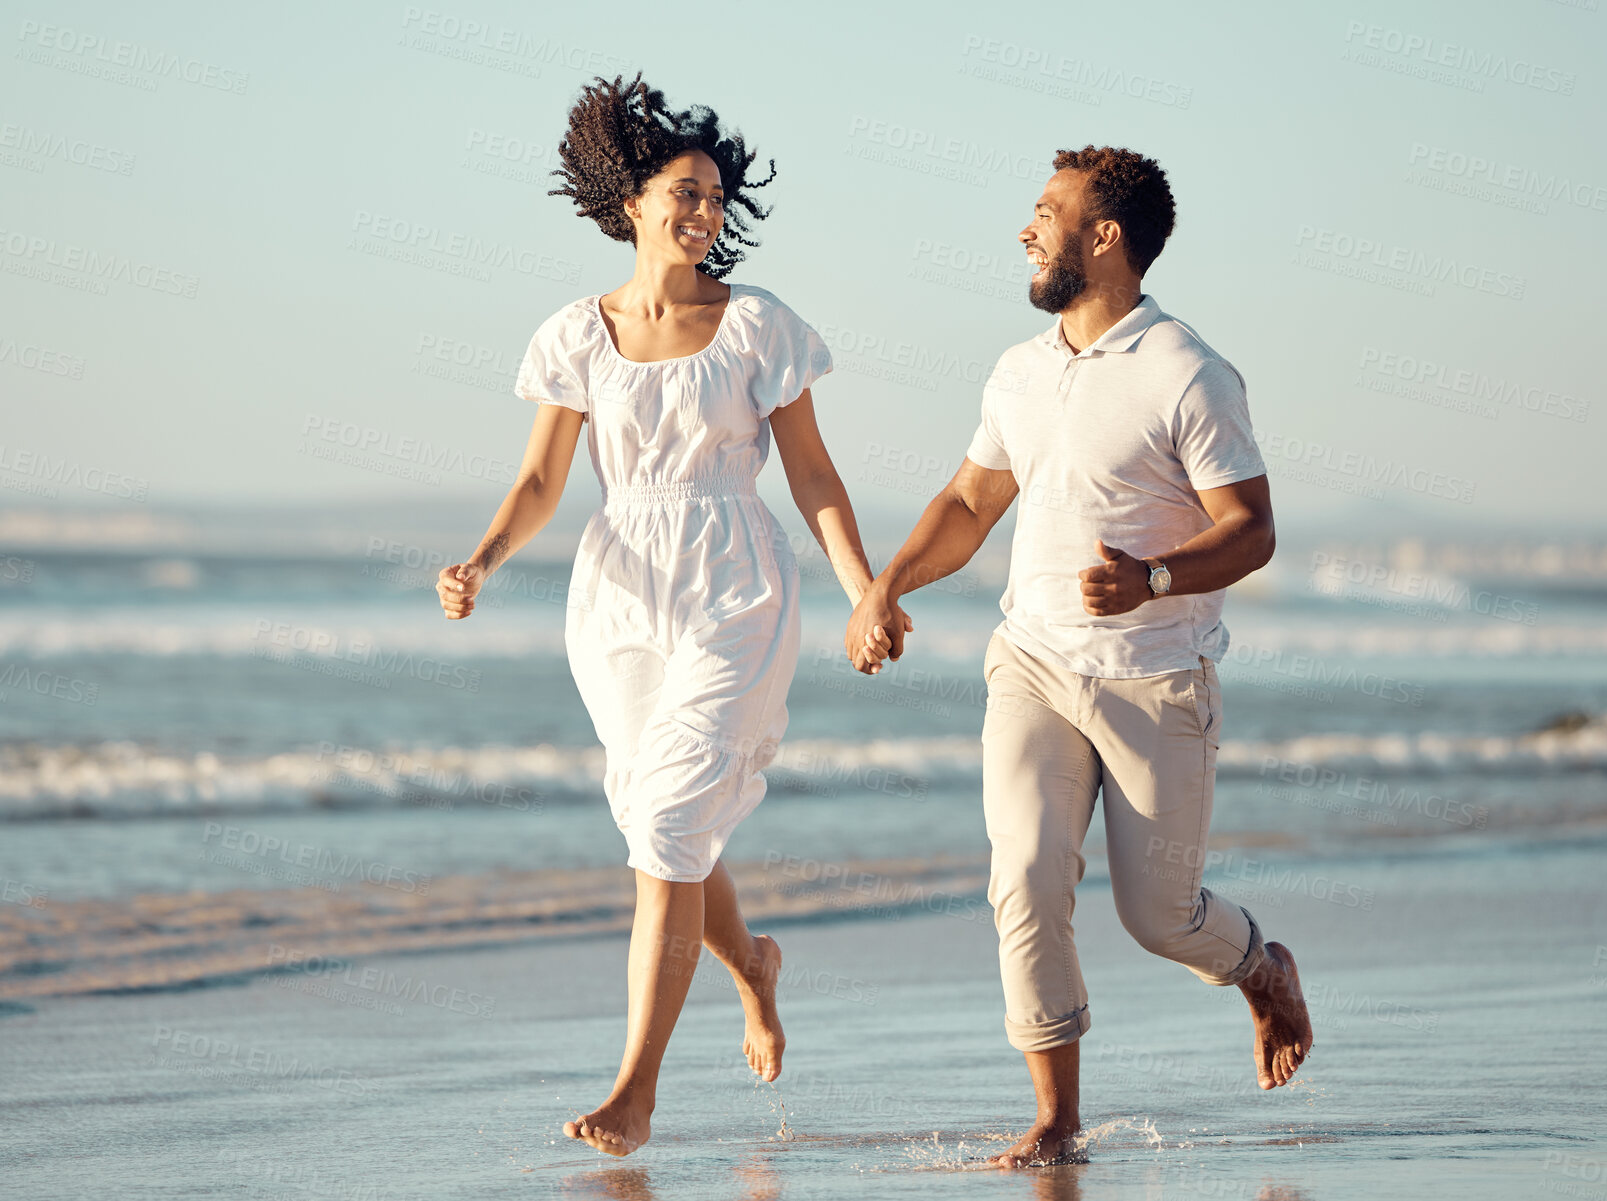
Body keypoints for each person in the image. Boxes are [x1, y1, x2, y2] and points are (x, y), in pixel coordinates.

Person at [438, 74, 882, 1158]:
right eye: (683, 192)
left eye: (715, 196)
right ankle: (753, 965)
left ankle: (634, 1088)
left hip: (737, 583)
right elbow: (543, 480)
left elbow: (815, 476)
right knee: (660, 828)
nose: (703, 212)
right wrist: (484, 557)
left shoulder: (757, 327)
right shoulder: (574, 336)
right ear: (628, 202)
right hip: (621, 592)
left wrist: (865, 587)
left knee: (674, 826)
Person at [846, 144, 1313, 1167]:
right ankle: (1057, 1120)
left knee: (1160, 917)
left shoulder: (1187, 369)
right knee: (1021, 874)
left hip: (1156, 677)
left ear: (1104, 238)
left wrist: (1152, 578)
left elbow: (1252, 527)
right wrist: (885, 587)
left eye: (1047, 211)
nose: (1027, 227)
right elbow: (972, 503)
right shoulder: (1020, 370)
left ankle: (1260, 965)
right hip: (1035, 665)